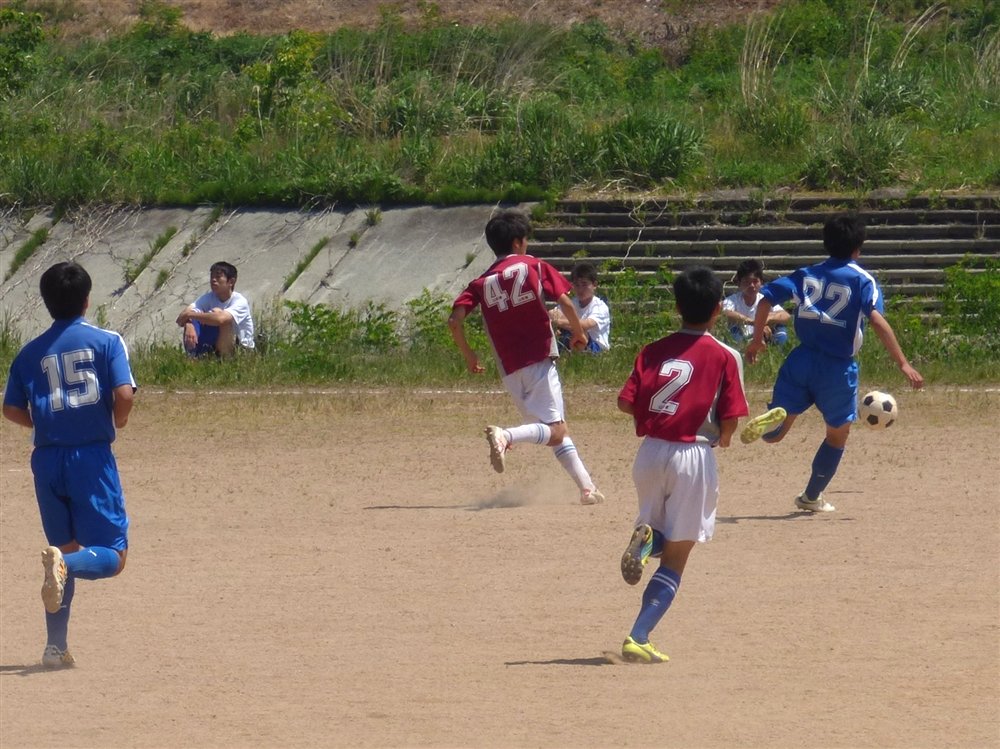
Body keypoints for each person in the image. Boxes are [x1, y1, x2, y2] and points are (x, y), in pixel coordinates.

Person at [741, 213, 924, 512]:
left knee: (776, 435)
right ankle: (811, 496)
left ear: (826, 243)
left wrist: (757, 339)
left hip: (801, 360)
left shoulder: (806, 274)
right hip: (837, 369)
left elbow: (765, 300)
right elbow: (876, 320)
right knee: (837, 434)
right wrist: (903, 363)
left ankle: (774, 421)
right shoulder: (863, 280)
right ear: (858, 248)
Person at [2, 261, 136, 669]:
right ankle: (65, 566)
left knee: (63, 549)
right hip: (90, 458)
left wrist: (42, 422)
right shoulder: (106, 341)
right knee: (112, 555)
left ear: (47, 302)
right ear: (87, 299)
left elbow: (10, 408)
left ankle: (55, 647)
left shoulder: (29, 352)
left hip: (47, 461)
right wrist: (118, 421)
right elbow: (124, 394)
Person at [616, 267, 748, 663]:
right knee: (678, 555)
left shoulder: (652, 349)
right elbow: (730, 418)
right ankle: (639, 636)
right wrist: (725, 437)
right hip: (692, 454)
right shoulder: (725, 355)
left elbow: (625, 402)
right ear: (719, 308)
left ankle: (647, 544)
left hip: (650, 452)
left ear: (676, 307)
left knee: (661, 534)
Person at [448, 209, 606, 505]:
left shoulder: (481, 282)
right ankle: (505, 436)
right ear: (518, 242)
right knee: (555, 430)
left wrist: (470, 356)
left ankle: (587, 489)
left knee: (550, 428)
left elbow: (454, 321)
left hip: (508, 368)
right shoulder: (534, 265)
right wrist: (578, 333)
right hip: (539, 356)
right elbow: (565, 302)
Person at [176, 261, 255, 357]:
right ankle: (194, 355)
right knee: (196, 319)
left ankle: (225, 360)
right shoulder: (209, 297)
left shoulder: (240, 301)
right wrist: (189, 323)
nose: (213, 280)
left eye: (218, 277)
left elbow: (221, 319)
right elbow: (181, 318)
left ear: (231, 282)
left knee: (219, 315)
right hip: (217, 345)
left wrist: (190, 315)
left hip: (241, 350)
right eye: (211, 277)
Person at [721, 258, 790, 346]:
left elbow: (785, 315)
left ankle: (780, 350)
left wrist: (767, 319)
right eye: (747, 282)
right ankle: (741, 349)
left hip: (764, 336)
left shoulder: (765, 299)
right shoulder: (732, 300)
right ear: (739, 283)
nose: (751, 286)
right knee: (734, 327)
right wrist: (754, 322)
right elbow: (725, 313)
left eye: (755, 281)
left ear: (761, 282)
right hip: (741, 337)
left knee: (780, 327)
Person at [549, 262, 611, 353]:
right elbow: (552, 313)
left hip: (596, 347)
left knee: (581, 333)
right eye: (577, 285)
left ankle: (573, 355)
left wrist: (558, 322)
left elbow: (585, 324)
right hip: (572, 337)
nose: (580, 289)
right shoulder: (573, 302)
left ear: (594, 285)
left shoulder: (600, 306)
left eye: (584, 284)